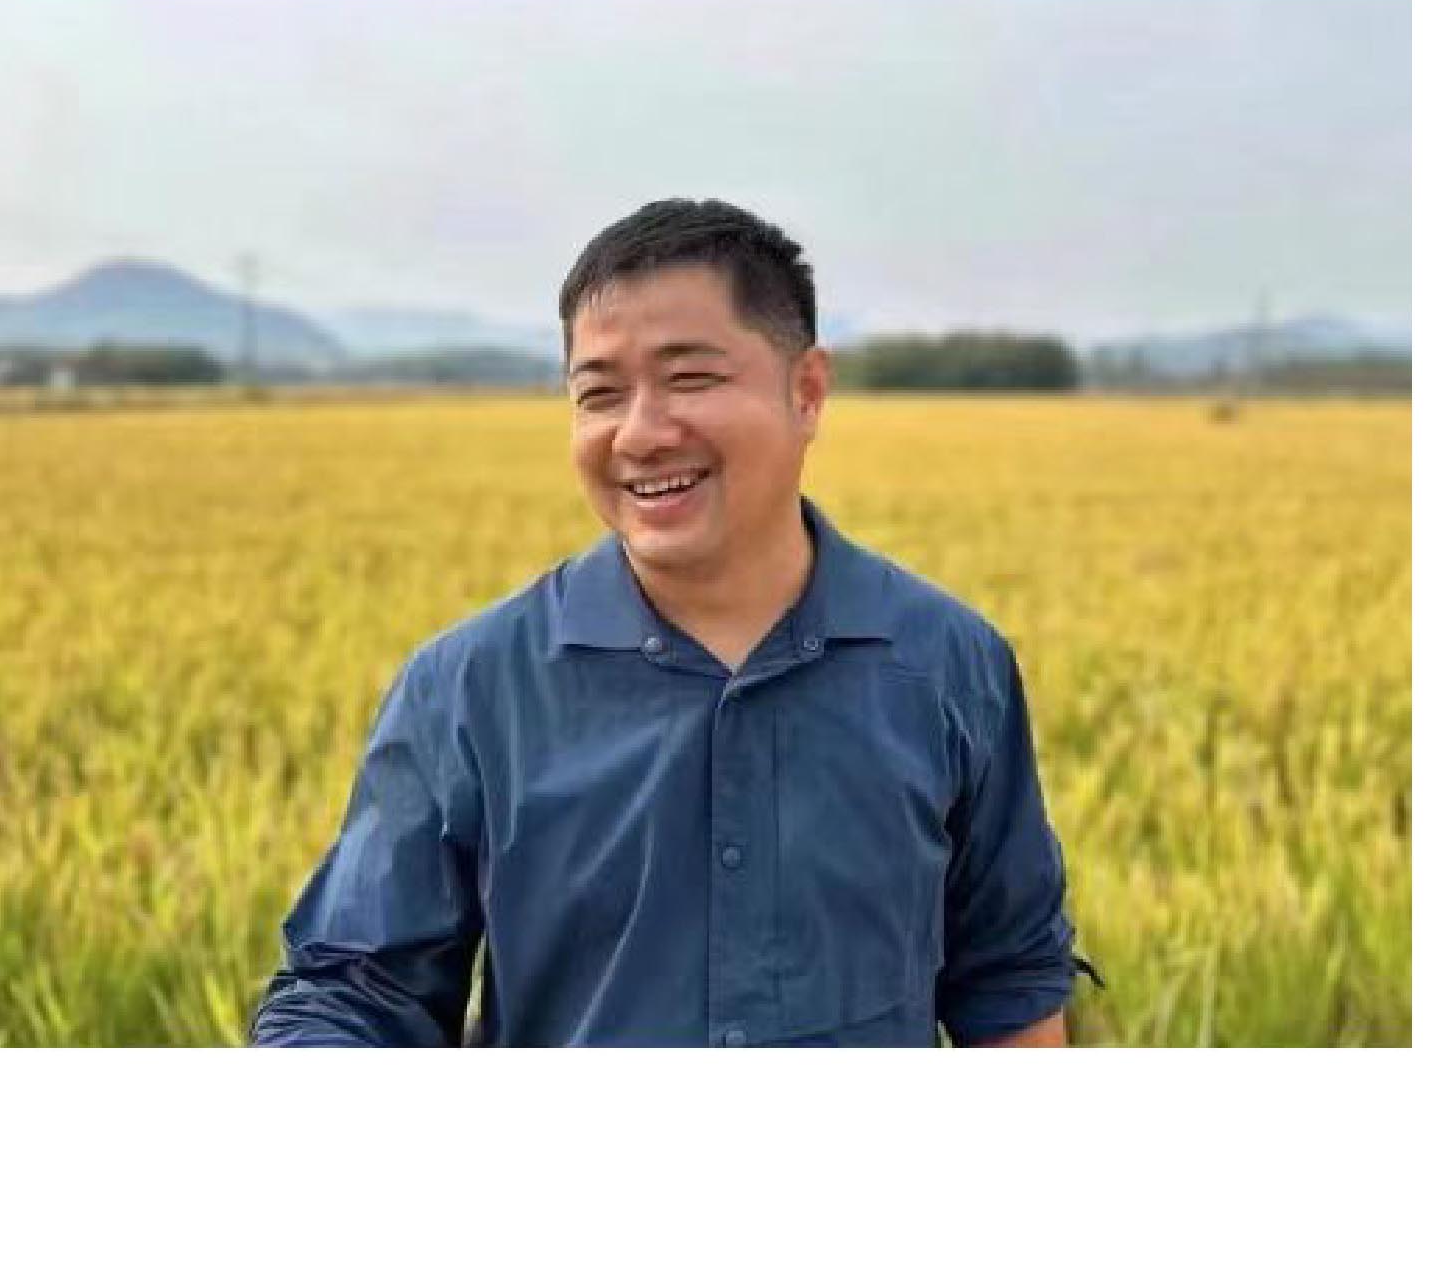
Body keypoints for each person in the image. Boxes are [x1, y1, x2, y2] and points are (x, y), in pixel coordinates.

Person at [248, 193, 1082, 1051]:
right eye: (600, 394)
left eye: (689, 379)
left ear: (806, 392)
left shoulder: (948, 664)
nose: (639, 435)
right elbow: (356, 992)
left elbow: (1008, 985)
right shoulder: (467, 688)